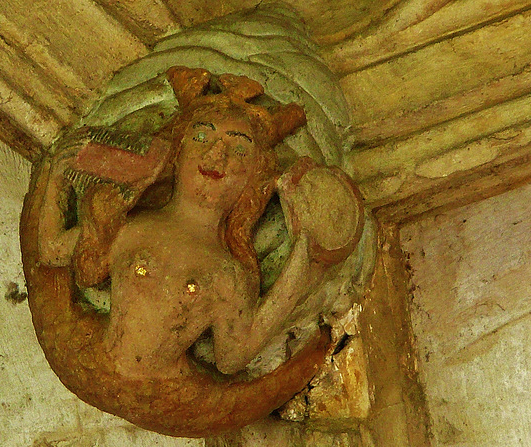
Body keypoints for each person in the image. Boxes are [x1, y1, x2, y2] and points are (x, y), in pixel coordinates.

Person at [21, 66, 360, 436]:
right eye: (202, 136)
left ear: (254, 179)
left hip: (171, 394)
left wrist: (304, 255)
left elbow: (233, 357)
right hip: (93, 365)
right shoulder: (133, 228)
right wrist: (56, 174)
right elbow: (52, 252)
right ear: (177, 152)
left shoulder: (228, 273)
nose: (217, 155)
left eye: (240, 148)